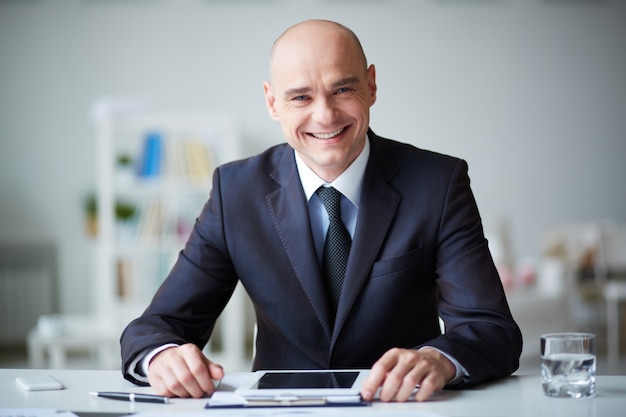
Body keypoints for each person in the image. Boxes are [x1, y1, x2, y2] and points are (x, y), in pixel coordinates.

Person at [120, 19, 523, 403]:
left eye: (343, 90)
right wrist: (163, 357)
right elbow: (155, 329)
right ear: (272, 102)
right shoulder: (235, 192)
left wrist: (439, 359)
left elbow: (490, 329)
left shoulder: (438, 182)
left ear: (371, 85)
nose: (325, 115)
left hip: (400, 407)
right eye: (301, 97)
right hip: (281, 411)